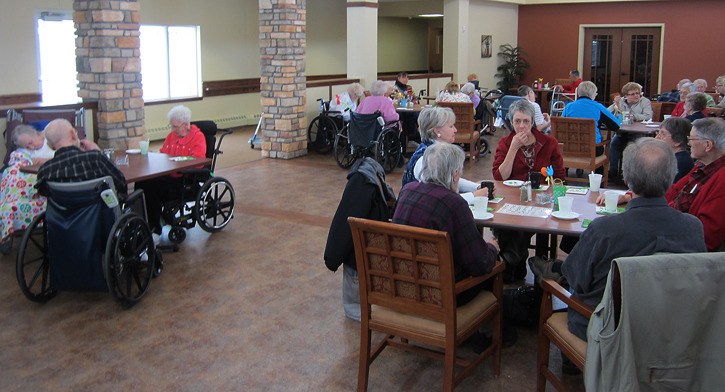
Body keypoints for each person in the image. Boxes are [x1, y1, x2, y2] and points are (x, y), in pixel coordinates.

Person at [530, 138, 706, 342]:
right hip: (669, 330)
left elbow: (576, 279)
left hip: (604, 327)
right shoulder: (693, 228)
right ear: (672, 177)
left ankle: (570, 362)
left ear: (627, 179)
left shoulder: (605, 230)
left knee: (567, 274)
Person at [394, 142, 498, 305]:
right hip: (443, 296)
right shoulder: (454, 204)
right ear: (455, 174)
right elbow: (480, 264)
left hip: (403, 285)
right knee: (495, 267)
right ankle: (485, 327)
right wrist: (492, 247)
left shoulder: (407, 191)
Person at [492, 99, 565, 281]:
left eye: (526, 121)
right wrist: (514, 148)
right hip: (512, 199)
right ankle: (515, 265)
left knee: (516, 227)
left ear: (532, 122)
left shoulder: (548, 143)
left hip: (540, 201)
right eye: (517, 122)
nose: (522, 126)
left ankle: (512, 265)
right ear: (511, 122)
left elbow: (560, 177)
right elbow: (500, 176)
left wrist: (552, 195)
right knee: (509, 224)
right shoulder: (505, 143)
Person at [324, 157, 396, 321]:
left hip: (365, 272)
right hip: (359, 298)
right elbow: (342, 231)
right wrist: (332, 260)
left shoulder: (363, 183)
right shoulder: (365, 185)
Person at [136, 105, 206, 239]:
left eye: (175, 126)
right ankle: (142, 223)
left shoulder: (198, 137)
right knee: (142, 182)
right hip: (168, 175)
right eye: (172, 126)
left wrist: (178, 163)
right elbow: (164, 153)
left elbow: (199, 161)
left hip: (184, 179)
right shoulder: (172, 136)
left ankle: (155, 229)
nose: (172, 130)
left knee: (151, 188)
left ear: (185, 124)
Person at [401, 106, 488, 204]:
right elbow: (435, 199)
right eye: (451, 126)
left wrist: (476, 187)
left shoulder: (435, 151)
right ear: (437, 131)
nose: (455, 130)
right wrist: (474, 196)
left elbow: (448, 179)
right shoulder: (426, 159)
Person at [666, 118, 725, 251]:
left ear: (708, 145)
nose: (688, 143)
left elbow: (707, 235)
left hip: (685, 249)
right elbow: (674, 190)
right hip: (670, 227)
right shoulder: (702, 166)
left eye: (691, 139)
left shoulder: (721, 180)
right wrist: (632, 196)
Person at [36, 118, 127, 196]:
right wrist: (98, 152)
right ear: (73, 134)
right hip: (100, 215)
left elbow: (44, 194)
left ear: (51, 146)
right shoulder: (96, 159)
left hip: (61, 216)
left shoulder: (45, 171)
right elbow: (121, 183)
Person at [0, 125, 52, 248]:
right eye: (26, 146)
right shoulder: (21, 154)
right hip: (23, 185)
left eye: (31, 142)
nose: (31, 147)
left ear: (36, 134)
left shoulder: (48, 137)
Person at [607, 82, 652, 179]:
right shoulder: (622, 101)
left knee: (631, 147)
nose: (636, 96)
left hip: (638, 133)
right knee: (614, 144)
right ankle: (613, 171)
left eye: (638, 93)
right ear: (626, 96)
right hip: (622, 132)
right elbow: (607, 112)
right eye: (633, 94)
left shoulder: (645, 101)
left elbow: (648, 116)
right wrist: (616, 104)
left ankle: (627, 174)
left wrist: (633, 116)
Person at [562, 81, 620, 157]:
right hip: (593, 149)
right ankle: (599, 168)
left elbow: (561, 125)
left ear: (579, 93)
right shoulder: (598, 107)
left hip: (571, 147)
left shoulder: (569, 106)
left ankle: (566, 168)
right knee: (600, 148)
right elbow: (616, 125)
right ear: (593, 95)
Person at [654, 117, 694, 183]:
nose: (657, 138)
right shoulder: (670, 156)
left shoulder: (679, 163)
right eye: (658, 133)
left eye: (663, 134)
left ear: (677, 141)